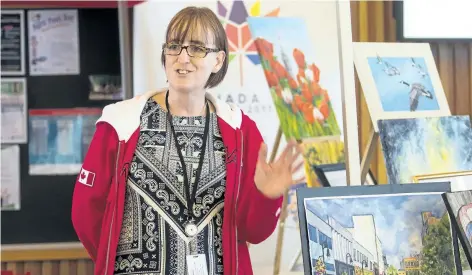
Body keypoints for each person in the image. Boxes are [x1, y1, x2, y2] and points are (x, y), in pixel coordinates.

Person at [71, 6, 304, 275]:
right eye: (174, 46)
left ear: (217, 60)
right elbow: (86, 213)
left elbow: (253, 231)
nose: (182, 58)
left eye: (196, 48)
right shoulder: (121, 123)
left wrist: (266, 196)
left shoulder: (241, 130)